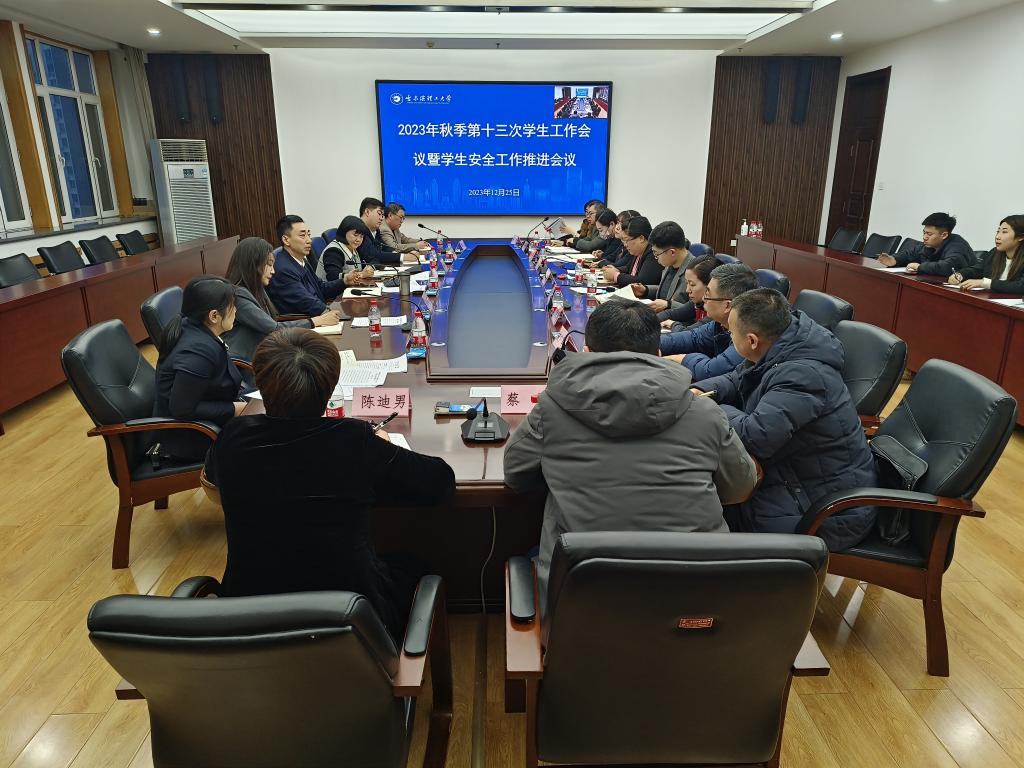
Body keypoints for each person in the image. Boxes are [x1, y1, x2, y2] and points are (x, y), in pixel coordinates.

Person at [503, 300, 758, 614]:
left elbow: (516, 476)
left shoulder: (551, 410)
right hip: (694, 602)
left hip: (585, 604)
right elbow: (740, 487)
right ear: (658, 354)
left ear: (586, 352)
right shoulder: (705, 411)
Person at [204, 327, 456, 641]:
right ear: (330, 386)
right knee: (413, 567)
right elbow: (440, 484)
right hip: (349, 621)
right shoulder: (353, 441)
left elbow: (216, 477)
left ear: (261, 383)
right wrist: (382, 447)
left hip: (248, 621)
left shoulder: (233, 438)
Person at [694, 289, 877, 550]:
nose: (728, 335)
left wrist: (710, 406)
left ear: (752, 340)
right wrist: (700, 391)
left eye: (731, 333)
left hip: (823, 511)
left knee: (700, 508)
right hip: (793, 479)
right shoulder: (781, 345)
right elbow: (736, 378)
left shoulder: (804, 375)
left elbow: (755, 437)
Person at [154, 276, 244, 461]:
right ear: (213, 316)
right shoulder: (197, 353)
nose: (236, 309)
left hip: (211, 416)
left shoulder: (194, 327)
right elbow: (182, 410)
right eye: (232, 305)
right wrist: (233, 409)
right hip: (194, 436)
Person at [660, 262, 757, 381]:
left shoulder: (749, 334)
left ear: (727, 305)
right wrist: (651, 344)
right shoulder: (720, 323)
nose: (703, 299)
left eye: (708, 294)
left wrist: (682, 359)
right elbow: (692, 338)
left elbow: (710, 371)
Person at [266, 215, 345, 316]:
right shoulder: (283, 269)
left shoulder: (300, 259)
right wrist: (331, 313)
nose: (309, 240)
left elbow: (320, 288)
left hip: (319, 314)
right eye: (302, 235)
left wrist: (344, 281)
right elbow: (306, 302)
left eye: (309, 234)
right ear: (286, 240)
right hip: (305, 321)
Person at [878, 212, 976, 276]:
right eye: (924, 232)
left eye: (929, 234)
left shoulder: (958, 245)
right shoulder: (930, 244)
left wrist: (919, 267)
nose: (924, 237)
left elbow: (948, 267)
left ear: (944, 235)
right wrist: (894, 259)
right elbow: (910, 253)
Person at [630, 221, 693, 319]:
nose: (656, 258)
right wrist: (645, 290)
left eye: (656, 254)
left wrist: (668, 304)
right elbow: (666, 291)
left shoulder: (695, 272)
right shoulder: (670, 263)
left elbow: (696, 310)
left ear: (672, 252)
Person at [949, 215, 1024, 294]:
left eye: (1004, 232)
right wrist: (960, 275)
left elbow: (1021, 286)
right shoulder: (995, 253)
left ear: (1021, 237)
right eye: (998, 231)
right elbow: (978, 269)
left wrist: (985, 283)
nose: (998, 237)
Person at [661, 254, 721, 332]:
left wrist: (673, 324)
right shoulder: (697, 303)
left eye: (692, 284)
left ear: (710, 284)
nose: (687, 290)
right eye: (687, 283)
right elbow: (671, 314)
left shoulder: (716, 311)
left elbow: (689, 334)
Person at [601, 215, 662, 287]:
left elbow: (642, 281)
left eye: (627, 240)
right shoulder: (638, 251)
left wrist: (616, 276)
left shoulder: (653, 253)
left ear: (641, 238)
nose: (625, 245)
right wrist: (615, 270)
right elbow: (628, 268)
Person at [317, 215, 377, 284]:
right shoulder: (333, 251)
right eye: (355, 235)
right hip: (332, 291)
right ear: (344, 232)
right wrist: (361, 274)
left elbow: (372, 259)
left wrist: (369, 268)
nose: (358, 239)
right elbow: (333, 277)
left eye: (361, 236)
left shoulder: (352, 246)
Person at [353, 196, 401, 265]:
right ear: (367, 212)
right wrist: (402, 257)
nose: (382, 218)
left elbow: (384, 247)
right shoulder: (358, 230)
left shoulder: (376, 231)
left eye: (382, 215)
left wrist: (395, 252)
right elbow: (373, 254)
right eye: (379, 214)